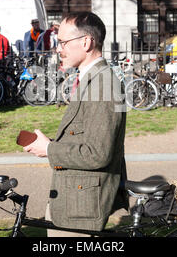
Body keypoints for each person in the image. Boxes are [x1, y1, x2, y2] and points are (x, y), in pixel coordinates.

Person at [23, 12, 129, 236]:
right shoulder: (93, 79)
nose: (58, 49)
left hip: (82, 207)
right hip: (75, 201)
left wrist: (50, 149)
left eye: (62, 42)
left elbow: (98, 154)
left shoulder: (103, 85)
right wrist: (50, 145)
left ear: (86, 42)